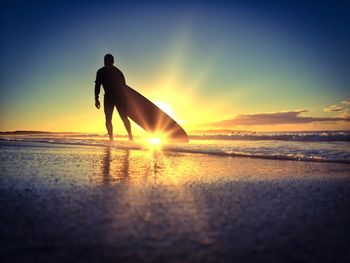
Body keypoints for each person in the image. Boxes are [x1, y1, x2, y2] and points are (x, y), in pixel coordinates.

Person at [95, 54, 133, 141]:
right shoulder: (102, 72)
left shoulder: (117, 72)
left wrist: (96, 98)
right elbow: (97, 85)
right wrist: (96, 98)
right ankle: (112, 139)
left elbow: (124, 88)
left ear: (112, 61)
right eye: (105, 60)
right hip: (111, 98)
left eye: (108, 60)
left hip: (117, 98)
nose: (106, 62)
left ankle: (130, 136)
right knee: (109, 119)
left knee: (122, 118)